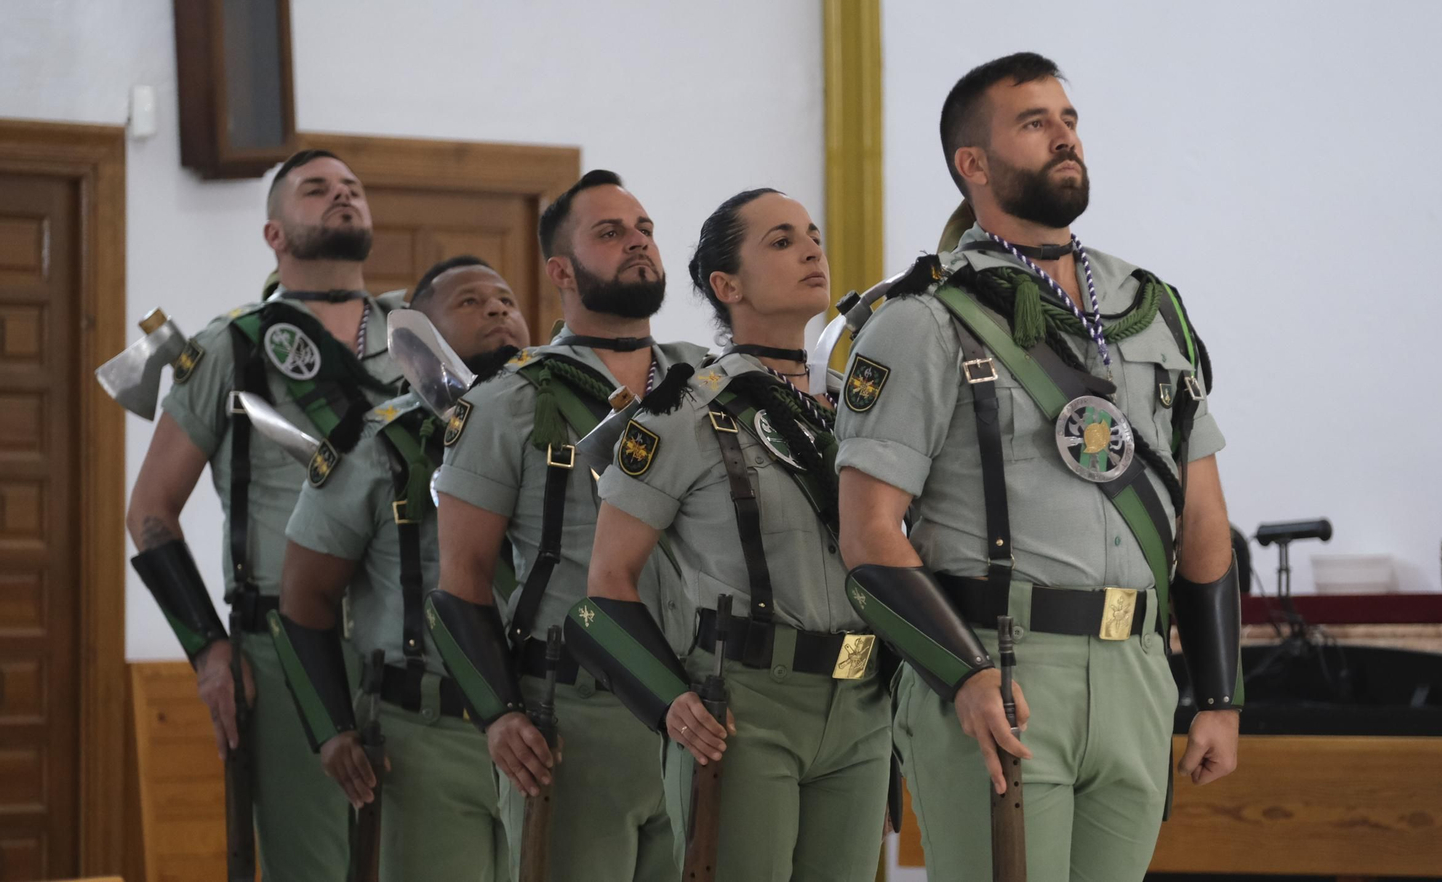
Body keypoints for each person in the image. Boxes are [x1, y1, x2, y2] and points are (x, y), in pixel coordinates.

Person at [833, 52, 1243, 881]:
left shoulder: (1151, 309)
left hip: (1135, 672)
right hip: (999, 665)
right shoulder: (922, 320)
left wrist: (1221, 695)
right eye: (1033, 122)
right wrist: (962, 673)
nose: (1063, 136)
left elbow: (1203, 520)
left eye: (1068, 119)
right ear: (973, 164)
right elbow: (869, 533)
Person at [567, 189, 892, 881]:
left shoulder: (857, 412)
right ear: (726, 284)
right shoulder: (683, 411)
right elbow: (606, 586)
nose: (811, 249)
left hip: (863, 701)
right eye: (780, 241)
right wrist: (666, 696)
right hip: (747, 703)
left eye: (812, 235)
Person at [124, 149, 406, 880]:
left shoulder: (418, 336)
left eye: (352, 187)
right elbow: (150, 508)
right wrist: (208, 650)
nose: (342, 197)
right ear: (273, 235)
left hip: (416, 644)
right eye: (316, 190)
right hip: (286, 652)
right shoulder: (232, 346)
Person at [424, 171, 707, 879]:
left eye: (643, 228)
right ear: (561, 270)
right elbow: (461, 580)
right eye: (609, 233)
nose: (637, 242)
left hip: (702, 710)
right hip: (576, 715)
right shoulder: (507, 404)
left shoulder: (708, 384)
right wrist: (497, 711)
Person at [272, 256, 531, 882]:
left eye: (506, 299)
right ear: (417, 335)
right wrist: (332, 728)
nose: (497, 308)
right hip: (425, 736)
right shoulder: (375, 445)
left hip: (550, 731)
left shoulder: (564, 437)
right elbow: (304, 598)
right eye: (470, 301)